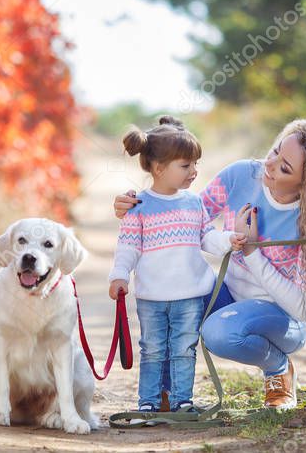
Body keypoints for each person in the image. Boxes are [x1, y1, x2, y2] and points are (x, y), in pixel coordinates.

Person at [114, 119, 306, 410]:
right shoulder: (241, 175)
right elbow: (187, 218)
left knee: (219, 333)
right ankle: (164, 392)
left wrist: (253, 251)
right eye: (275, 151)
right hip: (228, 298)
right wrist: (140, 206)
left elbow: (301, 309)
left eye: (284, 168)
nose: (269, 165)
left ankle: (278, 368)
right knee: (174, 295)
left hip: (283, 318)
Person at [108, 116, 248, 413]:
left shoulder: (193, 203)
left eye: (195, 164)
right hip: (152, 297)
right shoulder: (139, 207)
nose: (194, 172)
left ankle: (182, 400)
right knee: (154, 350)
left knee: (185, 349)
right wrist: (119, 276)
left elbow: (206, 237)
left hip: (189, 295)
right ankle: (148, 402)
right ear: (159, 168)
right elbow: (128, 246)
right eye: (186, 166)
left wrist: (228, 240)